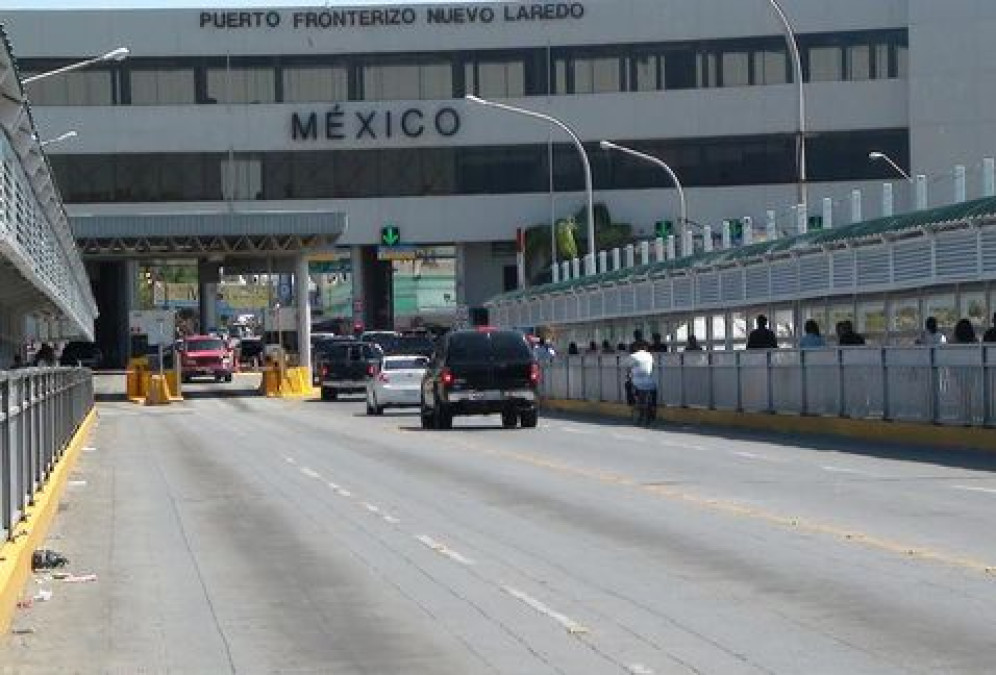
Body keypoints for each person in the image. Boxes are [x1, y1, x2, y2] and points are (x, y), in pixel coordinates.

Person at [625, 343, 658, 419]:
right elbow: (653, 367)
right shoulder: (650, 355)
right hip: (649, 382)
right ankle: (653, 406)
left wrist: (628, 376)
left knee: (627, 384)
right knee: (654, 390)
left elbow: (628, 369)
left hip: (637, 382)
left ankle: (632, 403)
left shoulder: (633, 356)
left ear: (636, 348)